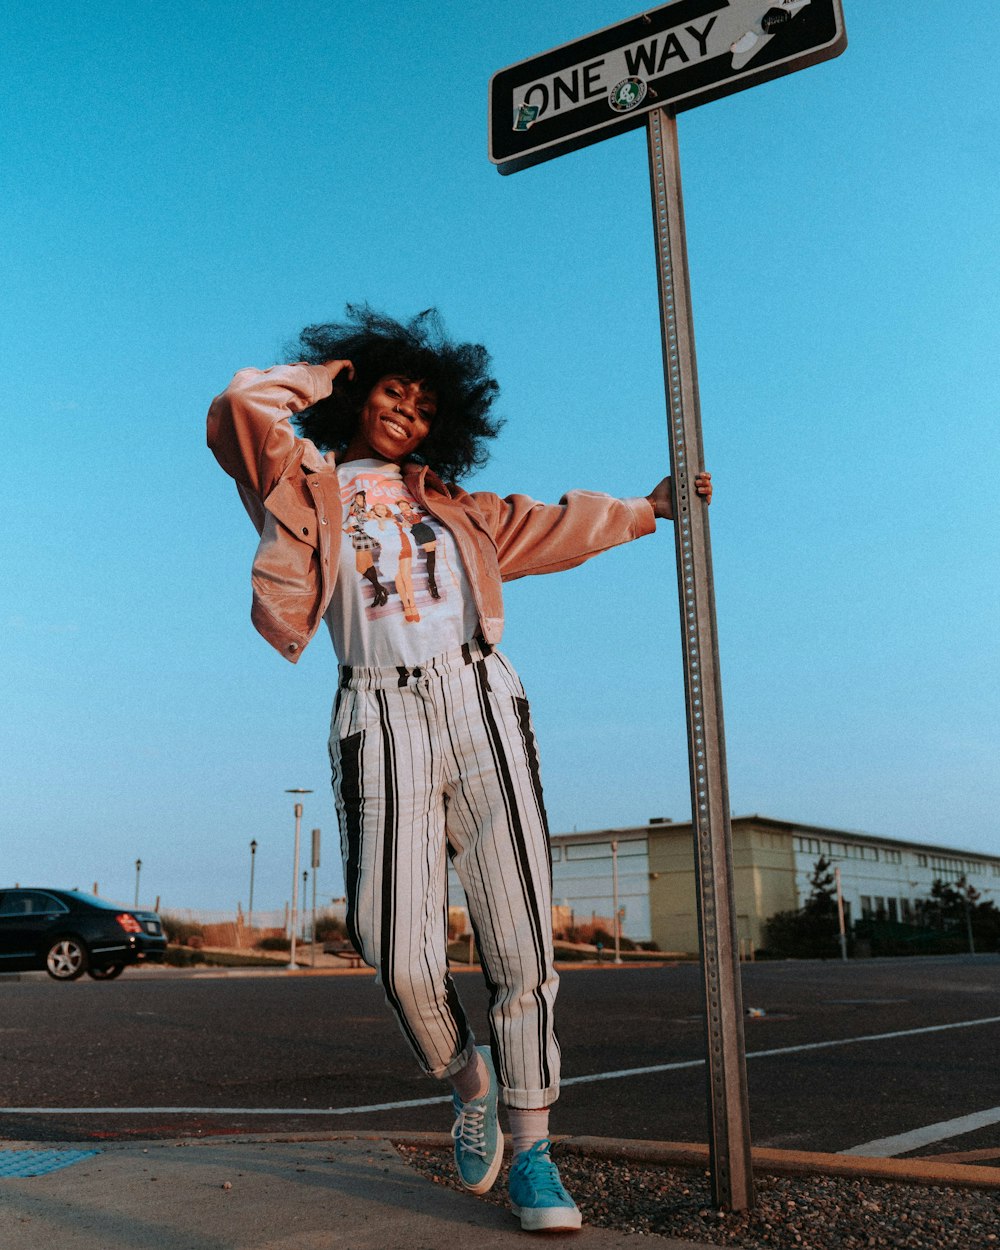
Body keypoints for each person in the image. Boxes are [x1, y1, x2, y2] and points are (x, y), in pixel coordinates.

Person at [207, 305, 712, 1234]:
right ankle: (463, 1074)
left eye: (426, 402)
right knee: (391, 945)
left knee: (520, 939)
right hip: (377, 707)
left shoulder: (460, 511)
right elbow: (239, 403)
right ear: (360, 397)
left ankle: (533, 1154)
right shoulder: (302, 485)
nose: (408, 409)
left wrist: (651, 510)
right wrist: (335, 368)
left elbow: (554, 525)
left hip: (481, 699)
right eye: (394, 389)